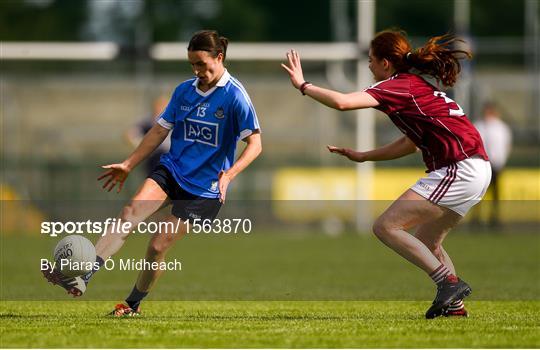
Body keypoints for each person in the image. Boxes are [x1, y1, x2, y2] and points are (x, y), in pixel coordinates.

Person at [43, 30, 262, 316]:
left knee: (157, 245)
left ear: (219, 58)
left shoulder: (236, 97)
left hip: (205, 190)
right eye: (192, 65)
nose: (197, 71)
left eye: (202, 64)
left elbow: (255, 144)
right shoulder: (184, 90)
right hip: (172, 171)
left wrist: (229, 175)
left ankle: (131, 305)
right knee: (129, 212)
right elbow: (159, 130)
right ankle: (81, 277)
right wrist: (129, 164)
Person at [281, 29, 491, 319]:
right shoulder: (414, 86)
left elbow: (342, 102)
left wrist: (303, 85)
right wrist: (365, 156)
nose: (368, 65)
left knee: (386, 226)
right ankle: (454, 307)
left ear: (385, 63)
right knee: (428, 244)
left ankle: (448, 283)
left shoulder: (398, 85)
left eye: (371, 60)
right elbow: (410, 143)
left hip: (460, 167)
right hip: (475, 168)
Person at [473, 102, 512, 227]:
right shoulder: (478, 125)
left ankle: (494, 217)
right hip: (481, 164)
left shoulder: (501, 128)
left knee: (495, 193)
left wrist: (502, 161)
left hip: (495, 165)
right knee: (479, 192)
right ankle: (477, 217)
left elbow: (505, 146)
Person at [124, 96, 171, 176]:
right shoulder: (149, 121)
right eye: (159, 106)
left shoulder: (176, 119)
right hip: (155, 158)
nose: (161, 108)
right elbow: (130, 134)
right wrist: (143, 148)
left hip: (172, 158)